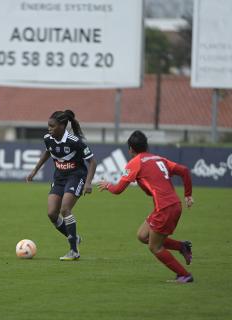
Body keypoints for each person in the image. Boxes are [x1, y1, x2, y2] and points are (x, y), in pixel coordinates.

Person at [98, 130, 194, 283]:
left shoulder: (134, 163)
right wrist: (188, 195)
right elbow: (184, 171)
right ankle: (182, 246)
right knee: (143, 235)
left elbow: (118, 190)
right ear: (146, 146)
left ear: (130, 149)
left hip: (165, 208)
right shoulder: (159, 158)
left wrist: (108, 185)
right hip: (172, 204)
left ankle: (184, 275)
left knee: (154, 247)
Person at [27, 110, 97, 261]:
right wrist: (35, 170)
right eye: (48, 126)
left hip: (76, 176)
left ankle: (73, 250)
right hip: (59, 177)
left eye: (52, 126)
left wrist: (88, 182)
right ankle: (75, 237)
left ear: (62, 126)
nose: (49, 129)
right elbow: (48, 152)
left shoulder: (75, 141)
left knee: (65, 209)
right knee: (52, 213)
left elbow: (92, 161)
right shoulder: (48, 138)